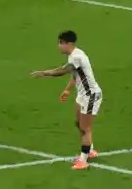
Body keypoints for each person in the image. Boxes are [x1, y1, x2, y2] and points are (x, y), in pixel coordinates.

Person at [28, 30, 102, 168]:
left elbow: (62, 71)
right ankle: (89, 151)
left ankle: (84, 160)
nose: (59, 46)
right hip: (82, 94)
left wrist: (44, 73)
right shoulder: (74, 55)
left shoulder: (76, 57)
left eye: (61, 43)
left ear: (68, 43)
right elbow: (76, 75)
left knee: (85, 128)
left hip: (90, 95)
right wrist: (67, 90)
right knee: (78, 123)